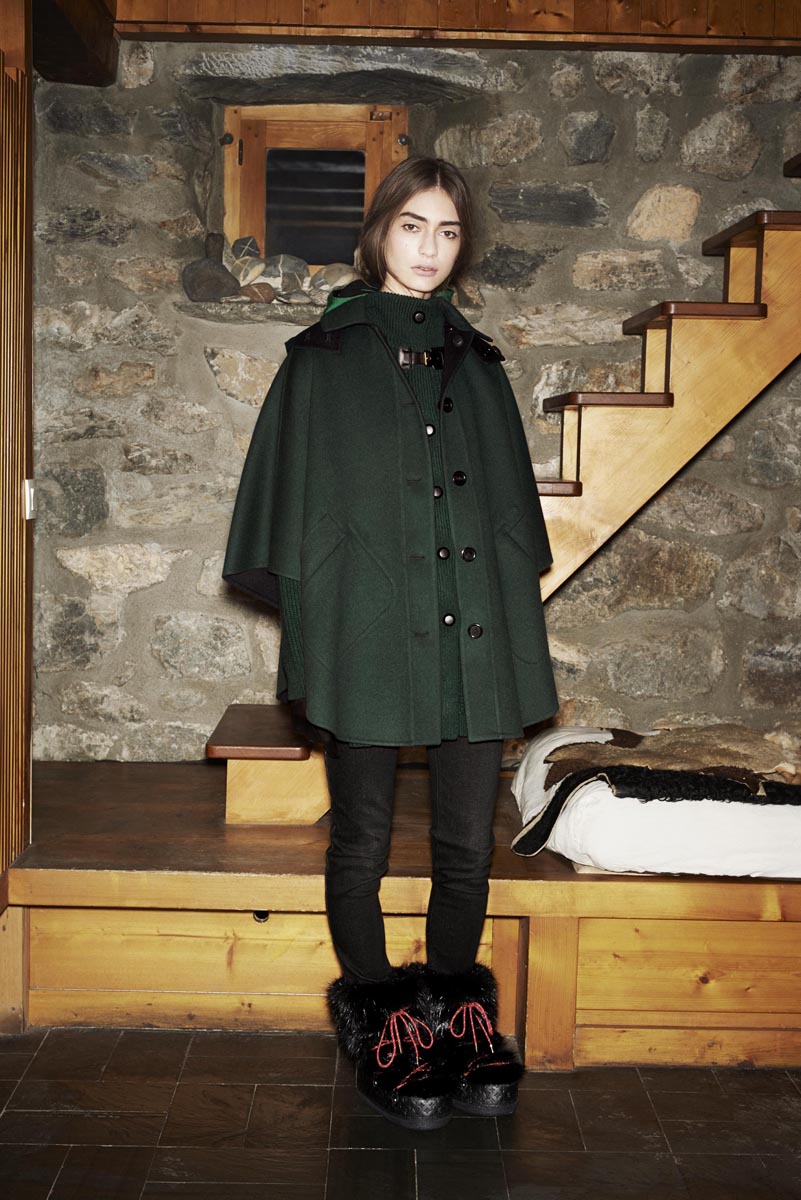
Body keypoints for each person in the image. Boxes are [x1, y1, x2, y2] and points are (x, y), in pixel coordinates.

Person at [223, 156, 558, 1131]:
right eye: (413, 226)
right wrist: (321, 621)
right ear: (379, 234)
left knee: (466, 843)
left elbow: (510, 520)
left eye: (447, 232)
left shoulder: (478, 365)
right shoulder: (321, 360)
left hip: (469, 634)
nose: (430, 248)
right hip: (365, 631)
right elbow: (287, 516)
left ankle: (455, 1011)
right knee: (363, 838)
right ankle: (382, 1020)